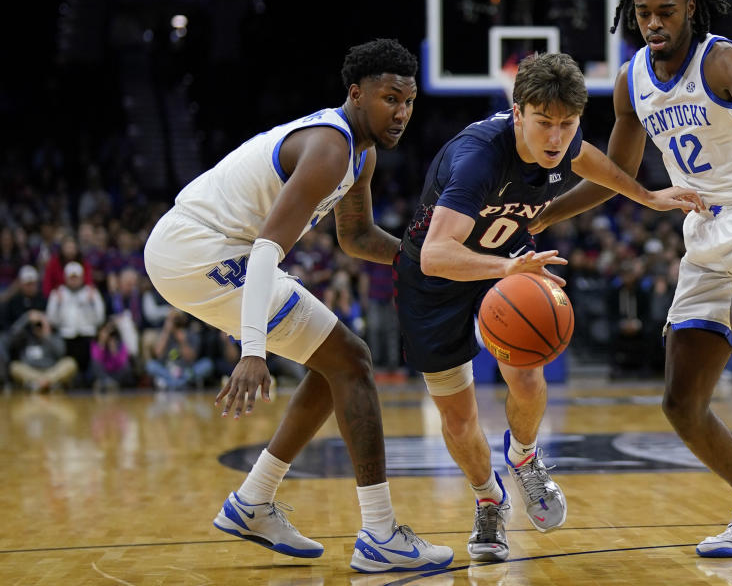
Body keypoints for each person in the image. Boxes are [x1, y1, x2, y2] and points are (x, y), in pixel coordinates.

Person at [529, 0, 732, 557]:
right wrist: (538, 215)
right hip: (704, 231)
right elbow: (616, 174)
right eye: (642, 13)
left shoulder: (719, 58)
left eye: (665, 10)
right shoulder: (632, 80)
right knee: (681, 404)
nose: (653, 22)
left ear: (689, 7)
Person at [144, 39, 452, 573]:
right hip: (199, 251)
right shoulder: (331, 148)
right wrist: (253, 350)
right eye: (389, 98)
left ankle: (253, 502)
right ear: (356, 94)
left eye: (408, 100)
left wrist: (424, 260)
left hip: (205, 250)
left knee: (338, 363)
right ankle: (380, 533)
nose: (401, 112)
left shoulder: (361, 152)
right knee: (351, 360)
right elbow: (266, 249)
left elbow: (355, 237)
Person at [394, 51, 702, 562]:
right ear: (517, 114)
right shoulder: (480, 159)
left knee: (529, 375)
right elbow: (436, 253)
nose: (556, 138)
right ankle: (488, 501)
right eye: (544, 124)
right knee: (458, 418)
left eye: (567, 124)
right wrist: (506, 270)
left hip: (508, 262)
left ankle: (524, 458)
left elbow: (594, 164)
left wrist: (647, 196)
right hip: (439, 278)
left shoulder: (564, 138)